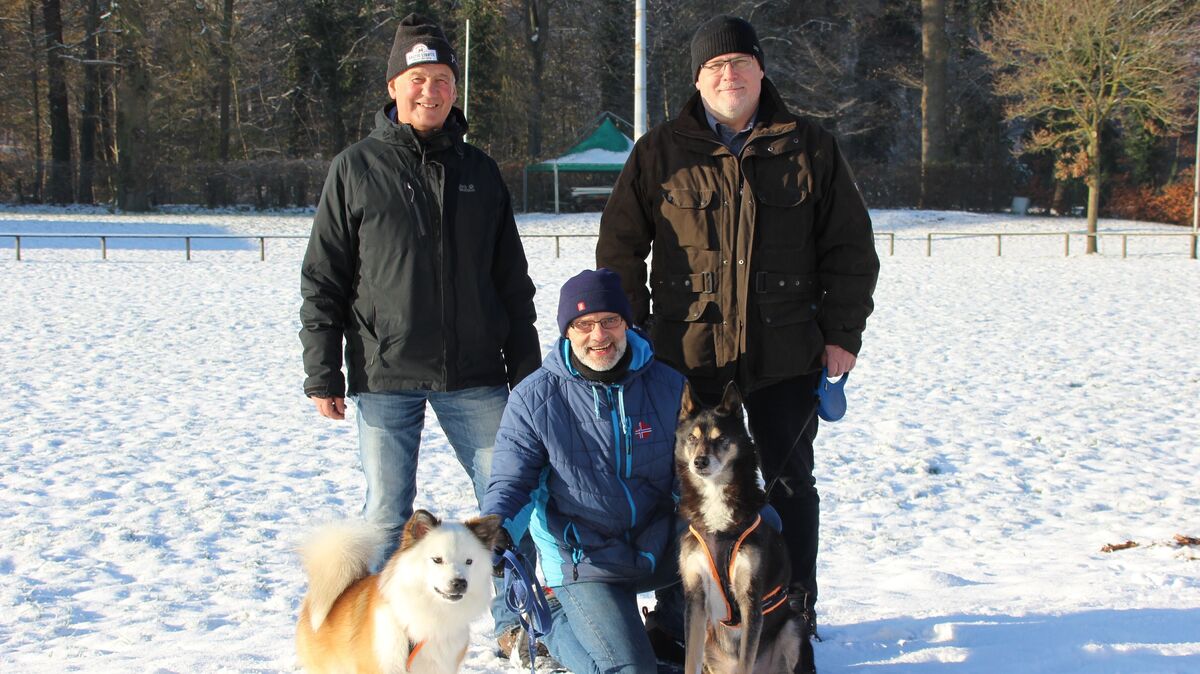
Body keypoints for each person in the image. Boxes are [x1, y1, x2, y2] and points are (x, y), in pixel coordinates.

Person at [597, 15, 881, 672]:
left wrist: (843, 334)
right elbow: (619, 249)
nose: (729, 76)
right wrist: (636, 332)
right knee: (686, 487)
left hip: (786, 355)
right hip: (687, 358)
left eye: (740, 64)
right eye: (715, 67)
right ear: (698, 80)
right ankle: (684, 610)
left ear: (760, 71)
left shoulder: (810, 146)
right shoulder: (659, 150)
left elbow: (850, 248)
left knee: (788, 483)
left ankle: (792, 608)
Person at [299, 12, 539, 580]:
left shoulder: (480, 171)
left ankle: (515, 617)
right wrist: (322, 372)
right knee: (386, 516)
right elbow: (324, 276)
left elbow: (512, 279)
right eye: (418, 79)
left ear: (455, 90)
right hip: (386, 370)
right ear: (394, 87)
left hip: (476, 371)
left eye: (442, 80)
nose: (430, 91)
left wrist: (526, 372)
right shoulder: (355, 168)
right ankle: (386, 621)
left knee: (506, 506)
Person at [483, 269, 686, 673]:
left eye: (610, 320)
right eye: (584, 324)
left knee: (754, 527)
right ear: (567, 332)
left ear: (627, 323)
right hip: (585, 561)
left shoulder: (669, 385)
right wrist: (497, 527)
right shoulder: (535, 398)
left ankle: (673, 627)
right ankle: (552, 621)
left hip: (657, 543)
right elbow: (513, 479)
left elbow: (697, 471)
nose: (599, 335)